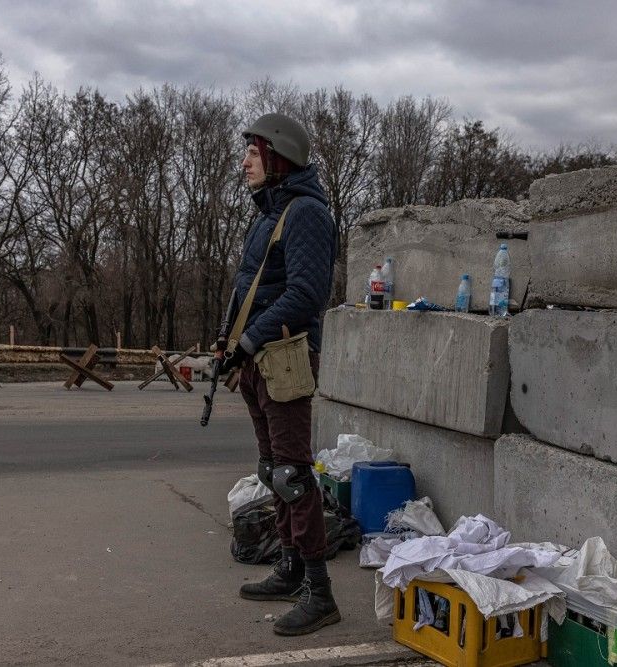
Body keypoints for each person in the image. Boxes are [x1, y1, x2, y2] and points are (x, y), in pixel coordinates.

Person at [218, 113, 339, 636]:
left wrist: (248, 340)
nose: (244, 162)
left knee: (292, 475)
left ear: (278, 156)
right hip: (257, 358)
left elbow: (307, 295)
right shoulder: (269, 214)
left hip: (285, 355)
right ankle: (289, 567)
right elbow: (252, 287)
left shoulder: (306, 213)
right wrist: (230, 343)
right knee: (271, 469)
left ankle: (320, 592)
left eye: (252, 152)